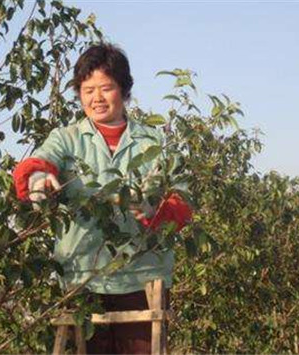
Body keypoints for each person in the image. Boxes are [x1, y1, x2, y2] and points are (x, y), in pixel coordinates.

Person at [13, 43, 192, 354]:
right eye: (87, 89)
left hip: (143, 277)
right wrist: (38, 177)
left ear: (123, 90)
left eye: (106, 88)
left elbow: (182, 195)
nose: (96, 98)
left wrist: (158, 210)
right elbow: (43, 159)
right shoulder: (67, 138)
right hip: (81, 277)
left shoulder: (153, 141)